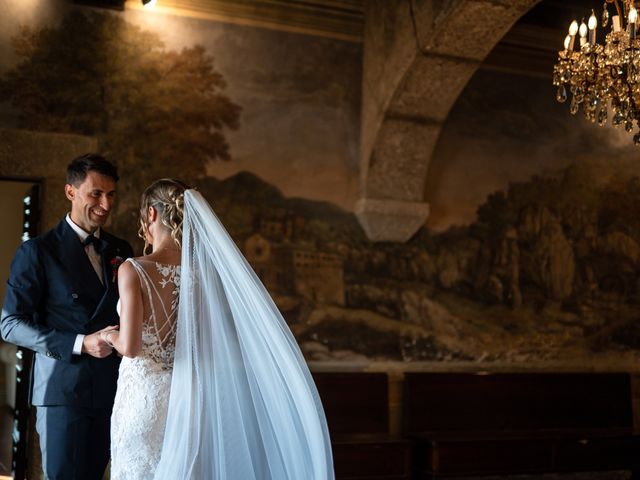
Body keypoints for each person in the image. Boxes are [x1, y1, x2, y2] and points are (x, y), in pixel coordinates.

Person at [106, 178, 334, 479]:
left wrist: (109, 335)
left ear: (151, 214)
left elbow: (131, 347)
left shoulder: (133, 268)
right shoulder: (202, 276)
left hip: (144, 398)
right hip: (188, 400)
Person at [1, 153, 133, 480]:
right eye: (96, 194)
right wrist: (81, 343)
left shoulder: (121, 250)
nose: (106, 203)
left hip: (113, 388)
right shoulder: (38, 251)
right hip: (63, 391)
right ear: (71, 192)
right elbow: (10, 324)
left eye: (111, 194)